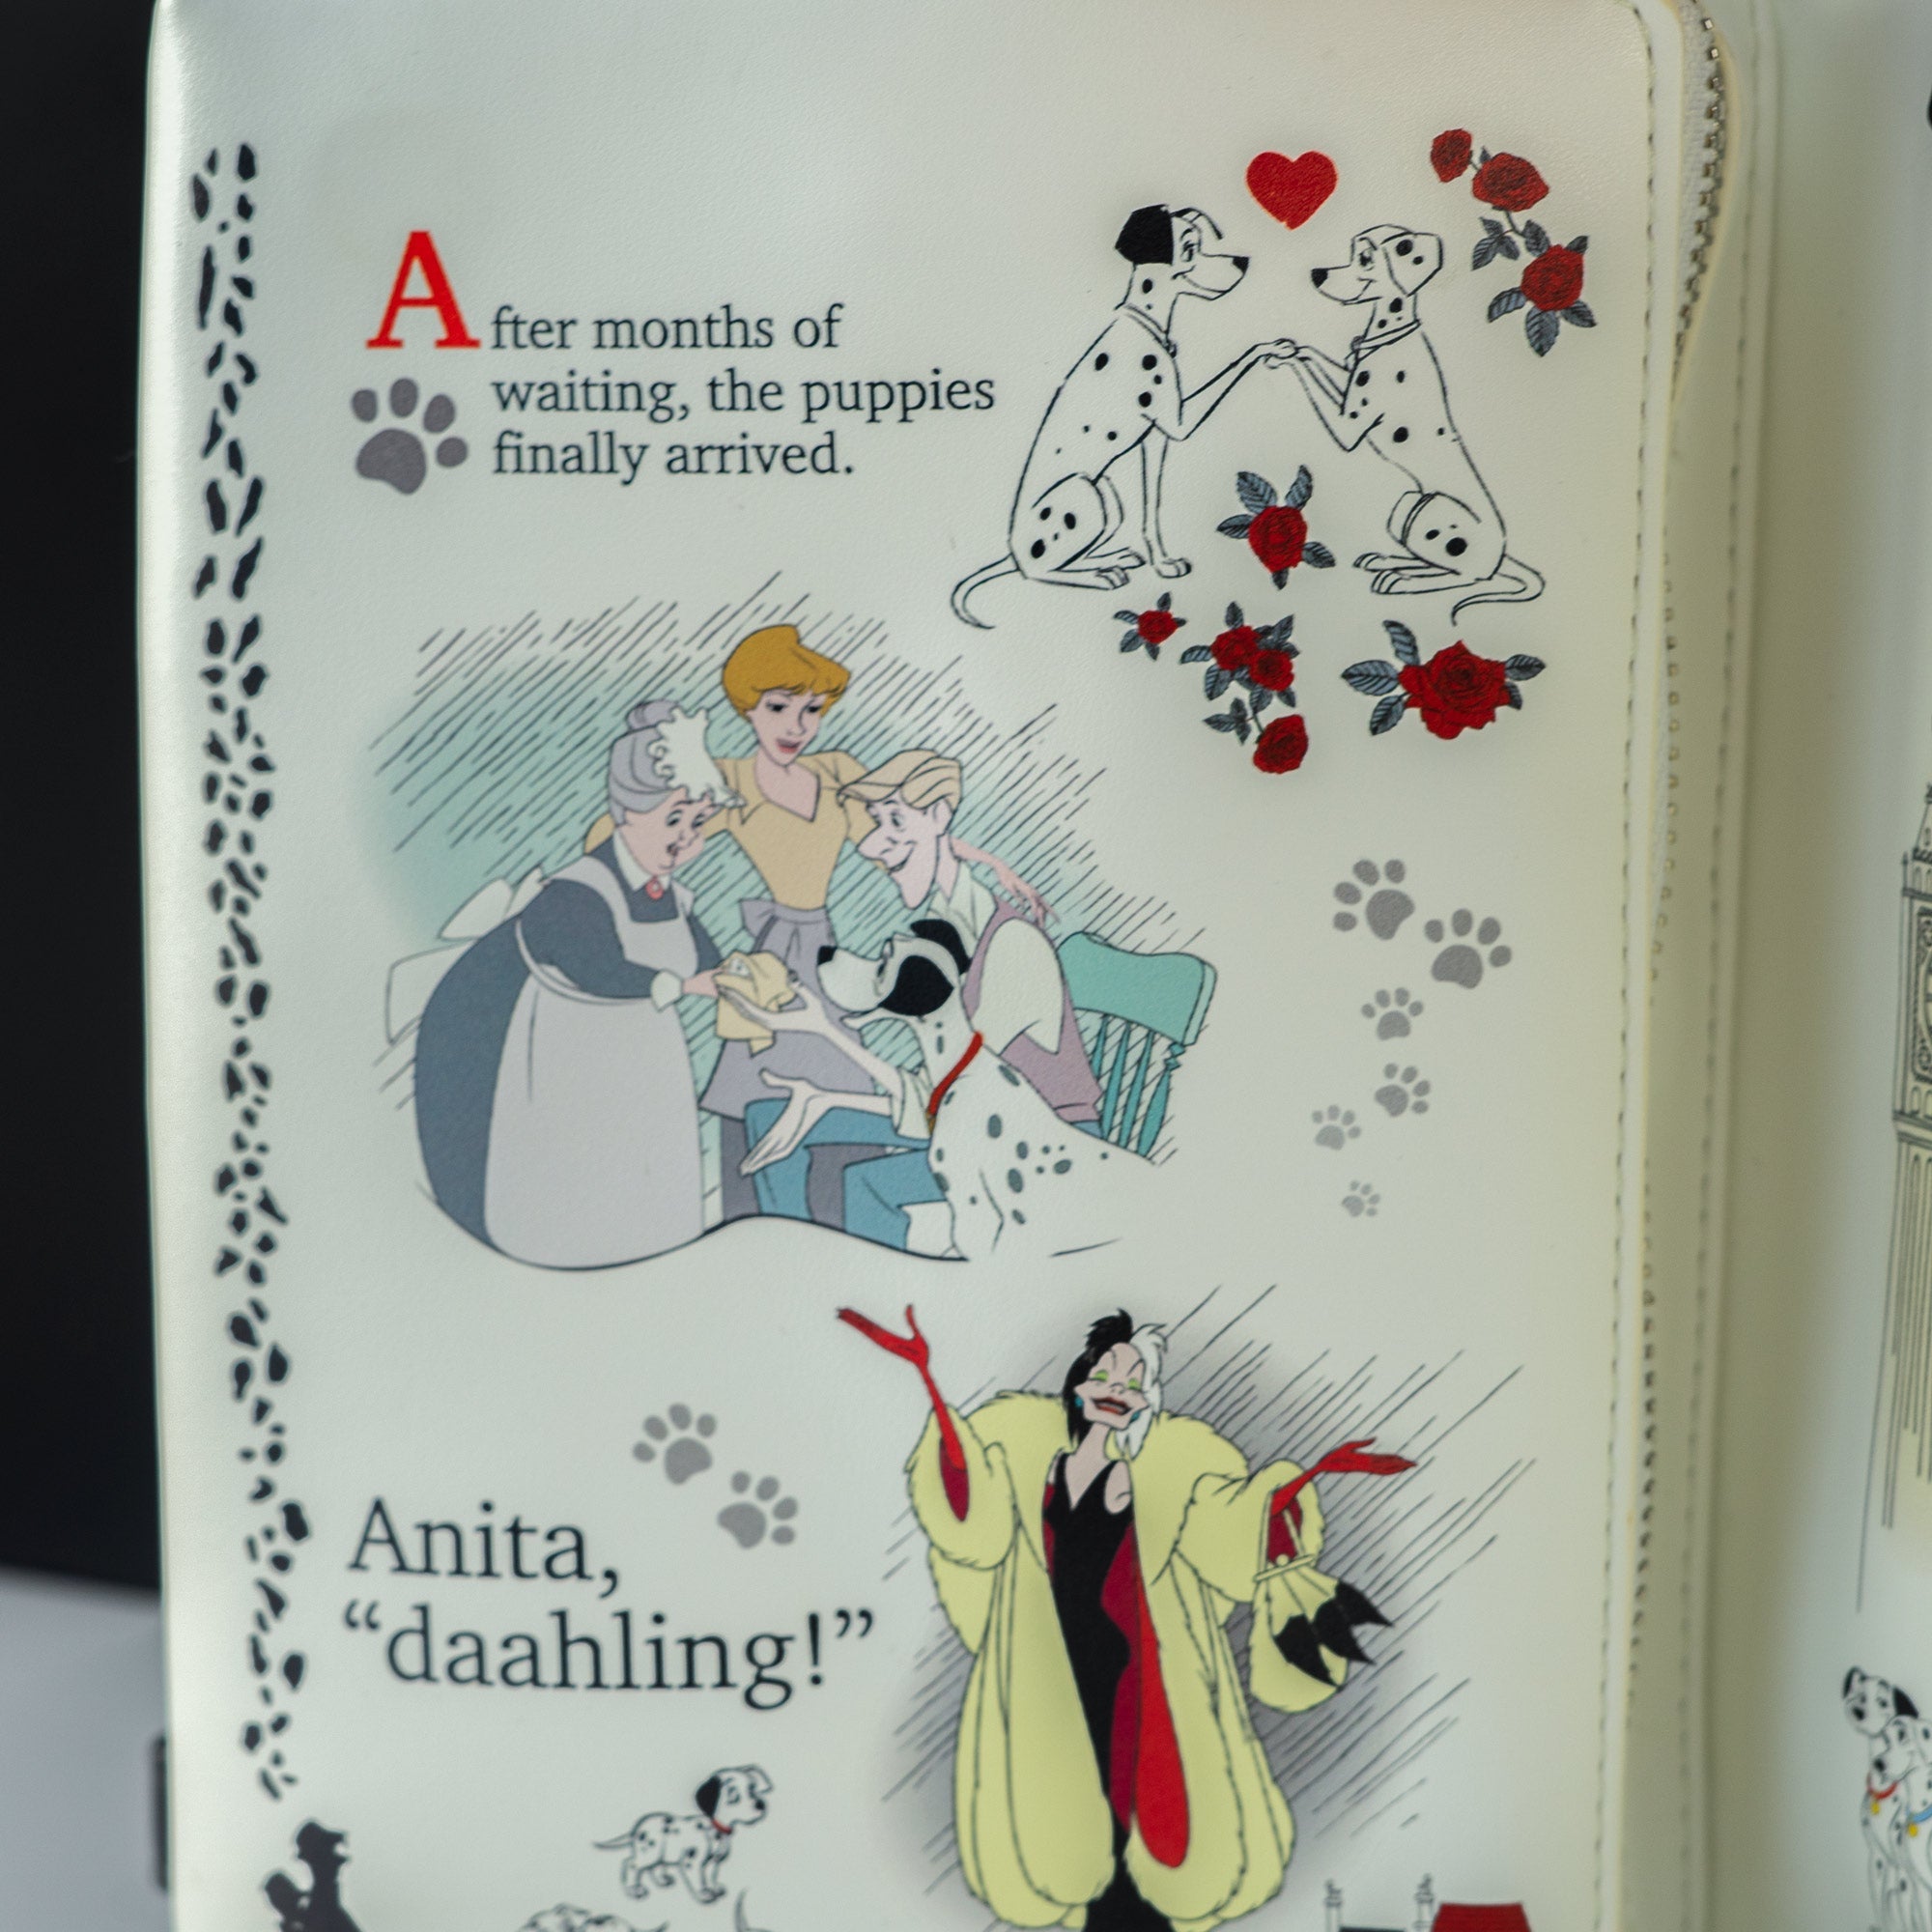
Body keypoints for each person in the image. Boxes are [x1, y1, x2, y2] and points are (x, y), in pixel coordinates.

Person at [840, 1305, 1411, 1932]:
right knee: (1063, 1787)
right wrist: (927, 1377)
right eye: (1107, 1376)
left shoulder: (1166, 1470)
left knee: (1142, 1788)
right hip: (1050, 1657)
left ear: (1146, 1402)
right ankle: (1093, 1901)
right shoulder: (1028, 1462)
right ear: (1079, 1386)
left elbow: (1231, 1529)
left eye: (1135, 1382)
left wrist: (1313, 1473)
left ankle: (1138, 1904)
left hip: (1137, 1662)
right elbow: (969, 1506)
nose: (1119, 1390)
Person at [583, 626, 1038, 1223]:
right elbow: (629, 828)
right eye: (779, 707)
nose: (796, 726)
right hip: (773, 955)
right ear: (747, 706)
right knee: (752, 1082)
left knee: (840, 1071)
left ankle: (841, 1219)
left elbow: (906, 831)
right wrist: (604, 877)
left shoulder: (835, 774)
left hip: (823, 953)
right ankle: (749, 1220)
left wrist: (991, 862)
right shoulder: (731, 782)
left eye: (812, 710)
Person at [412, 700, 733, 1267]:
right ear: (627, 813)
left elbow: (704, 957)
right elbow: (594, 968)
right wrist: (685, 987)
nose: (686, 838)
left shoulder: (674, 896)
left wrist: (736, 980)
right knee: (581, 1164)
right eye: (674, 820)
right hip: (570, 1058)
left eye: (698, 824)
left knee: (647, 1164)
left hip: (646, 1056)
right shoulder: (577, 891)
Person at [736, 749, 1098, 1249]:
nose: (873, 845)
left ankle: (852, 1280)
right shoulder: (947, 923)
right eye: (875, 822)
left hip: (1040, 1141)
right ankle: (787, 1262)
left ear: (939, 815)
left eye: (894, 821)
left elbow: (953, 1091)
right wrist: (823, 1097)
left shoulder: (1012, 943)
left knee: (864, 1182)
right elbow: (946, 1096)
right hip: (972, 1118)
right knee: (766, 1118)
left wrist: (825, 1042)